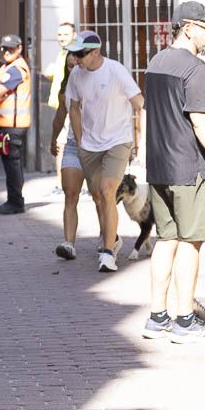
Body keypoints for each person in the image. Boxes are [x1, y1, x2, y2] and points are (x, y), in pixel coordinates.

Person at [143, 1, 205, 343]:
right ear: (187, 27)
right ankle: (184, 320)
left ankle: (157, 316)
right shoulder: (195, 68)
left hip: (160, 166)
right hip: (190, 168)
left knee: (165, 241)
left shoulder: (155, 63)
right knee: (190, 244)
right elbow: (200, 119)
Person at [65, 30, 144, 273]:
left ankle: (108, 253)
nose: (76, 58)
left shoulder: (116, 71)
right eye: (74, 53)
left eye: (81, 54)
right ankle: (113, 238)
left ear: (96, 52)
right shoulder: (76, 75)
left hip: (117, 141)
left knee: (108, 192)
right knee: (98, 197)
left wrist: (140, 140)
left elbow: (140, 104)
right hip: (89, 144)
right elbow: (74, 107)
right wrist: (79, 141)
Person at [0, 34, 31, 214]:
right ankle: (14, 200)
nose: (6, 52)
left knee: (12, 164)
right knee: (11, 163)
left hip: (14, 124)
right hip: (9, 123)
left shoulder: (16, 69)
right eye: (4, 48)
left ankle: (16, 202)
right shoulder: (10, 67)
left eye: (10, 48)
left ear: (19, 48)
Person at [50, 53, 84, 259]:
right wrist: (53, 139)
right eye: (69, 66)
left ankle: (106, 240)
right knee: (70, 194)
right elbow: (59, 117)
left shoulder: (97, 82)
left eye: (76, 64)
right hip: (72, 144)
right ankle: (69, 243)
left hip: (98, 146)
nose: (73, 70)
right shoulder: (65, 92)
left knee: (100, 197)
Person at [45, 22, 77, 110]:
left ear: (74, 35)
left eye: (66, 34)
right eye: (59, 35)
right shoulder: (63, 52)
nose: (62, 38)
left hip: (68, 106)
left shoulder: (76, 55)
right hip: (57, 104)